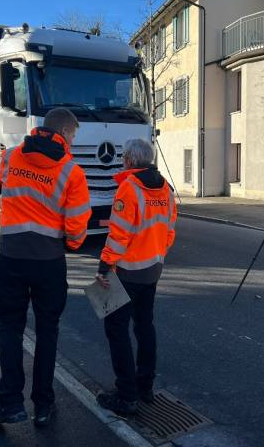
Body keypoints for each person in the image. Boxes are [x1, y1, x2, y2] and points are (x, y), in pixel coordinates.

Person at [0, 108, 91, 429]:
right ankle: (43, 406)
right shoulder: (72, 173)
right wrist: (67, 244)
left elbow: (4, 186)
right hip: (49, 264)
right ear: (66, 134)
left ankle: (11, 404)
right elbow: (76, 229)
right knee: (47, 333)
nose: (73, 141)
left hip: (11, 259)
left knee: (9, 329)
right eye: (74, 136)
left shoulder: (12, 156)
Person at [94, 138, 177, 415]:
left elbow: (118, 236)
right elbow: (169, 230)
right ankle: (145, 387)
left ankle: (126, 395)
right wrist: (156, 254)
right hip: (152, 269)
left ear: (128, 160)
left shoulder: (129, 189)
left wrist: (104, 266)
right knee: (144, 326)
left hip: (127, 272)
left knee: (116, 330)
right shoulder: (166, 189)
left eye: (123, 157)